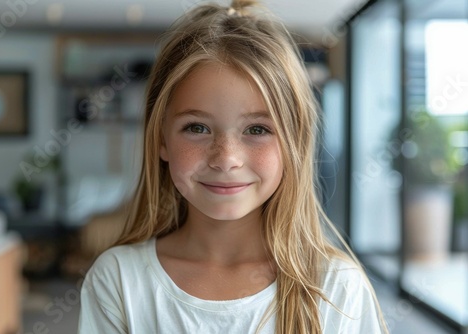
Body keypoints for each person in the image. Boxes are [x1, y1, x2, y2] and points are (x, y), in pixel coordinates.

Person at [78, 0, 389, 333]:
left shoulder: (337, 287)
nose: (226, 158)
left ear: (293, 143)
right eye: (197, 127)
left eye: (257, 129)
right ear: (161, 140)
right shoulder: (119, 281)